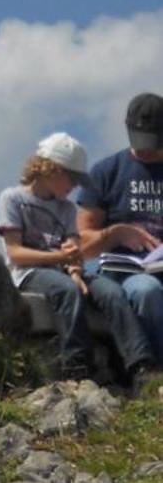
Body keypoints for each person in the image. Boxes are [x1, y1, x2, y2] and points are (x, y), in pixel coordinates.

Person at [0, 131, 159, 388]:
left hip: (65, 269)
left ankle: (140, 363)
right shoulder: (12, 199)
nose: (74, 186)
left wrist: (75, 269)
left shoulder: (67, 208)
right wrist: (60, 258)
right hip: (29, 272)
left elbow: (75, 250)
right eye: (71, 178)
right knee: (68, 291)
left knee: (112, 291)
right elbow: (15, 252)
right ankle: (77, 363)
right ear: (51, 169)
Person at [73, 92, 163, 371]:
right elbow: (82, 244)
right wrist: (114, 234)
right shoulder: (107, 172)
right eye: (139, 139)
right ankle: (155, 375)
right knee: (147, 291)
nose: (144, 149)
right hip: (127, 272)